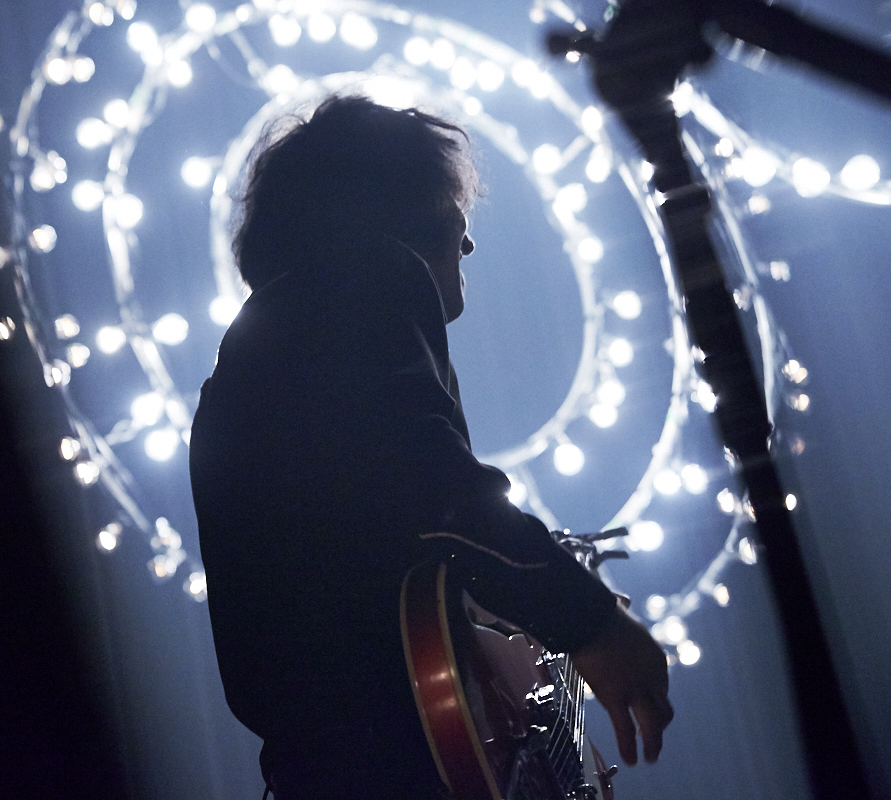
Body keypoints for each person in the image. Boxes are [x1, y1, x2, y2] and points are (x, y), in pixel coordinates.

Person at [189, 95, 672, 800]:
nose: (467, 242)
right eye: (452, 212)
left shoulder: (257, 360)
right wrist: (594, 622)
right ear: (396, 213)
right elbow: (431, 489)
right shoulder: (356, 290)